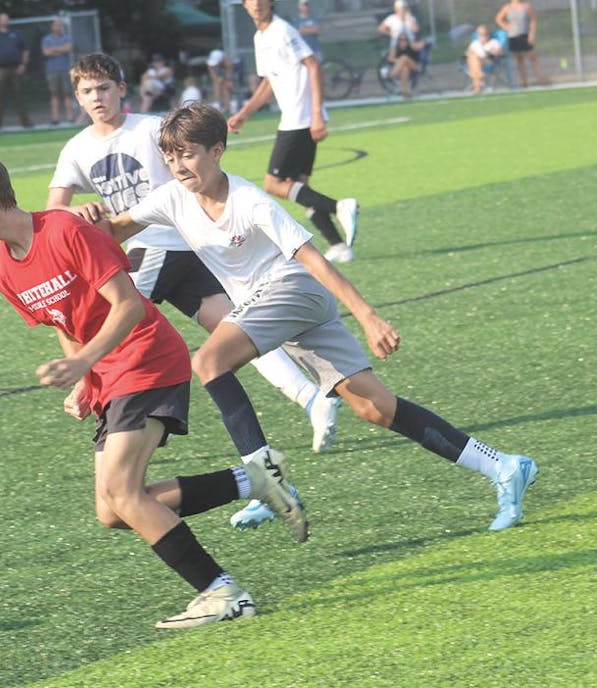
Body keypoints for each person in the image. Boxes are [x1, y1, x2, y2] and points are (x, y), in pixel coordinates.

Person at [105, 102, 541, 534]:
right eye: (170, 156)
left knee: (208, 361)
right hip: (275, 305)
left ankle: (265, 479)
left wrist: (368, 317)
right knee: (374, 407)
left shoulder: (251, 201)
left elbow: (314, 260)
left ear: (217, 151)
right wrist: (91, 223)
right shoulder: (171, 198)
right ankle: (504, 466)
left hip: (292, 290)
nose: (178, 166)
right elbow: (117, 228)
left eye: (188, 154)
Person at [0, 150, 306, 629]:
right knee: (112, 511)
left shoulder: (67, 232)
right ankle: (251, 480)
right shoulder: (3, 271)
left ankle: (223, 593)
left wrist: (85, 360)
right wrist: (84, 377)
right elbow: (62, 320)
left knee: (122, 491)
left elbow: (128, 305)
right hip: (111, 376)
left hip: (148, 357)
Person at [47, 53, 341, 532]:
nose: (96, 98)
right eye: (86, 92)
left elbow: (193, 156)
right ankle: (311, 397)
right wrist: (81, 211)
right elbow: (56, 209)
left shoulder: (148, 129)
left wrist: (83, 373)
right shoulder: (77, 148)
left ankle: (90, 386)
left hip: (162, 246)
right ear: (77, 97)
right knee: (234, 330)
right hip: (165, 247)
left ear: (123, 88)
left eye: (104, 88)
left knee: (112, 322)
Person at [228, 0, 359, 264]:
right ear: (244, 5)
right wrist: (243, 114)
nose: (256, 5)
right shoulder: (260, 36)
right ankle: (338, 245)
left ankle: (339, 207)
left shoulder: (283, 30)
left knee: (272, 184)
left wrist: (316, 113)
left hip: (299, 120)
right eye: (250, 1)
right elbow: (268, 82)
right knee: (300, 186)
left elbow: (313, 65)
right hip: (295, 119)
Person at [0, 12, 33, 129]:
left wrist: (23, 65)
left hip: (16, 69)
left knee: (20, 97)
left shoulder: (16, 34)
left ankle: (26, 123)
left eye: (6, 19)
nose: (5, 21)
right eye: (2, 19)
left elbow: (25, 50)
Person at [495, 0, 551, 87]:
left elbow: (533, 20)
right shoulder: (507, 7)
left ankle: (542, 78)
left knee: (533, 58)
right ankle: (524, 81)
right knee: (519, 59)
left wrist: (532, 34)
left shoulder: (526, 6)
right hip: (513, 36)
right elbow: (498, 19)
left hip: (525, 35)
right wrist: (506, 26)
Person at [41, 17, 76, 125]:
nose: (58, 27)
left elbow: (68, 48)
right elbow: (46, 52)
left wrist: (54, 50)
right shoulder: (47, 39)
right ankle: (55, 118)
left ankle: (70, 117)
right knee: (54, 94)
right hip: (52, 71)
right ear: (52, 27)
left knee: (67, 94)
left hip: (66, 70)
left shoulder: (67, 37)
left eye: (59, 25)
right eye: (56, 25)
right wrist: (61, 49)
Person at [466, 25, 506, 94]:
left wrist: (493, 51)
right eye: (481, 34)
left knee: (473, 61)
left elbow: (501, 52)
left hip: (488, 60)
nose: (483, 36)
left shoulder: (493, 42)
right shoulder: (476, 43)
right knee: (473, 58)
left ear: (489, 34)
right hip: (476, 61)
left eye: (485, 34)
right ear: (478, 35)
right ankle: (478, 84)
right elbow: (467, 54)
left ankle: (477, 87)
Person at [387, 29, 423, 98]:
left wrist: (402, 60)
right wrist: (400, 61)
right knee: (404, 68)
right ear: (398, 40)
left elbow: (421, 45)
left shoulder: (412, 46)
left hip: (415, 67)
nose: (403, 41)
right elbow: (390, 59)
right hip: (401, 69)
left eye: (405, 39)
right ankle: (406, 92)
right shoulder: (395, 48)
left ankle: (391, 76)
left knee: (404, 58)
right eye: (401, 39)